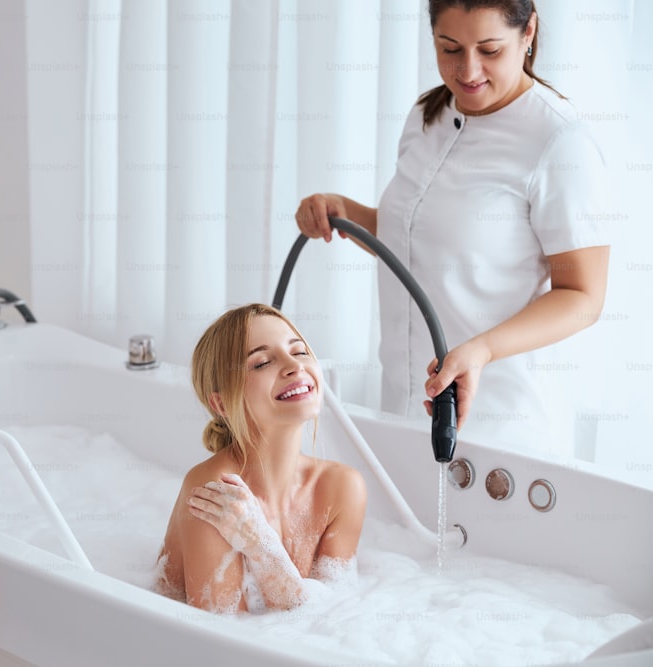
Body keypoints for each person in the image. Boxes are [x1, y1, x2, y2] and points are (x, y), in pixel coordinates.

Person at [295, 0, 610, 456]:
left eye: (489, 49)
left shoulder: (561, 142)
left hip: (502, 426)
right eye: (450, 48)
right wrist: (346, 213)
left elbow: (584, 297)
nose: (468, 70)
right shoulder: (428, 114)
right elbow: (419, 240)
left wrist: (480, 350)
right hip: (403, 410)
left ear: (528, 33)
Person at [154, 303, 367, 613]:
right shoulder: (214, 493)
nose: (295, 366)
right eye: (262, 362)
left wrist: (261, 546)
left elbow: (330, 621)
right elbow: (223, 647)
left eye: (300, 351)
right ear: (223, 403)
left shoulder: (342, 487)